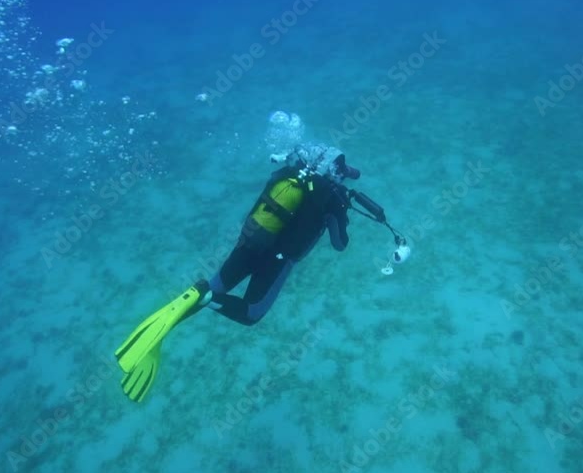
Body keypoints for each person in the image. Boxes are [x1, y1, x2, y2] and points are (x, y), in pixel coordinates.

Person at [115, 142, 403, 402]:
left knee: (216, 288)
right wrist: (342, 213)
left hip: (251, 242)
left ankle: (175, 320)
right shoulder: (333, 199)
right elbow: (340, 244)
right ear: (335, 172)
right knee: (251, 313)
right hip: (278, 260)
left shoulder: (289, 175)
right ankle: (202, 297)